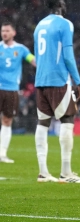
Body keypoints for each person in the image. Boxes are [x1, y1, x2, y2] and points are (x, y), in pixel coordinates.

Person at [33, 0, 80, 183]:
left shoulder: (39, 26)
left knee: (43, 123)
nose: (65, 4)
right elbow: (67, 55)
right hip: (58, 79)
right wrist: (78, 81)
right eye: (63, 1)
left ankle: (43, 172)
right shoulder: (65, 24)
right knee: (67, 119)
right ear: (59, 4)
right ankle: (66, 173)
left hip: (40, 80)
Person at [0, 22, 35, 163]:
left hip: (12, 90)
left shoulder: (21, 49)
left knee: (7, 121)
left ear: (13, 32)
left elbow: (33, 60)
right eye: (2, 31)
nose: (4, 33)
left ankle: (2, 154)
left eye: (7, 31)